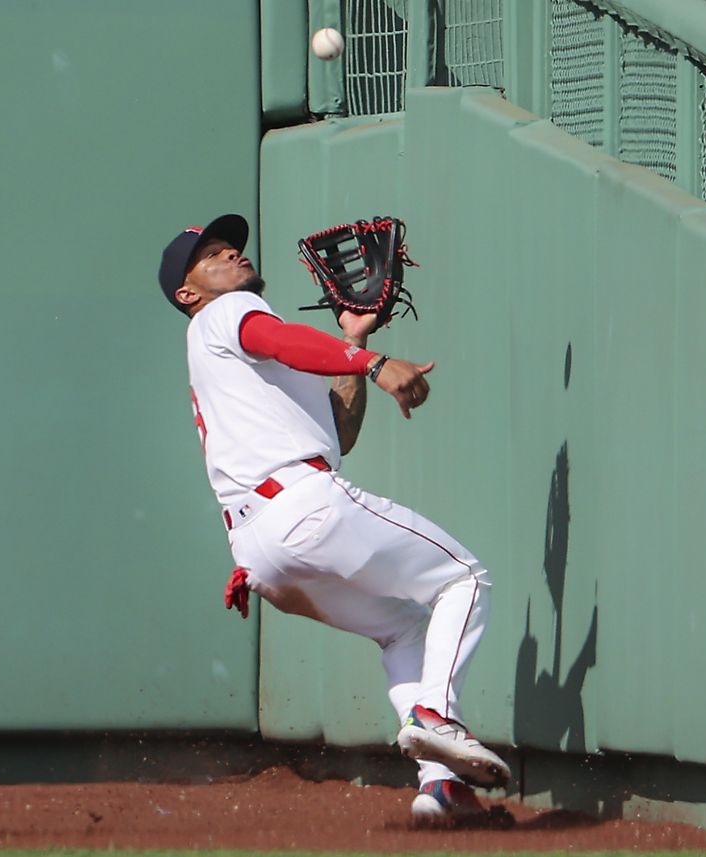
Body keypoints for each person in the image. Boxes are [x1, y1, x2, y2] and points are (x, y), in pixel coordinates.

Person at [157, 214, 510, 828]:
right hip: (301, 508)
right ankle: (435, 720)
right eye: (212, 254)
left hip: (261, 548)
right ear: (189, 294)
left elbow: (338, 430)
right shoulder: (223, 317)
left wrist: (351, 337)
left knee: (405, 632)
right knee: (465, 580)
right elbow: (285, 342)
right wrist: (373, 359)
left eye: (233, 246)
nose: (233, 255)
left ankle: (441, 788)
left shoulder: (241, 355)